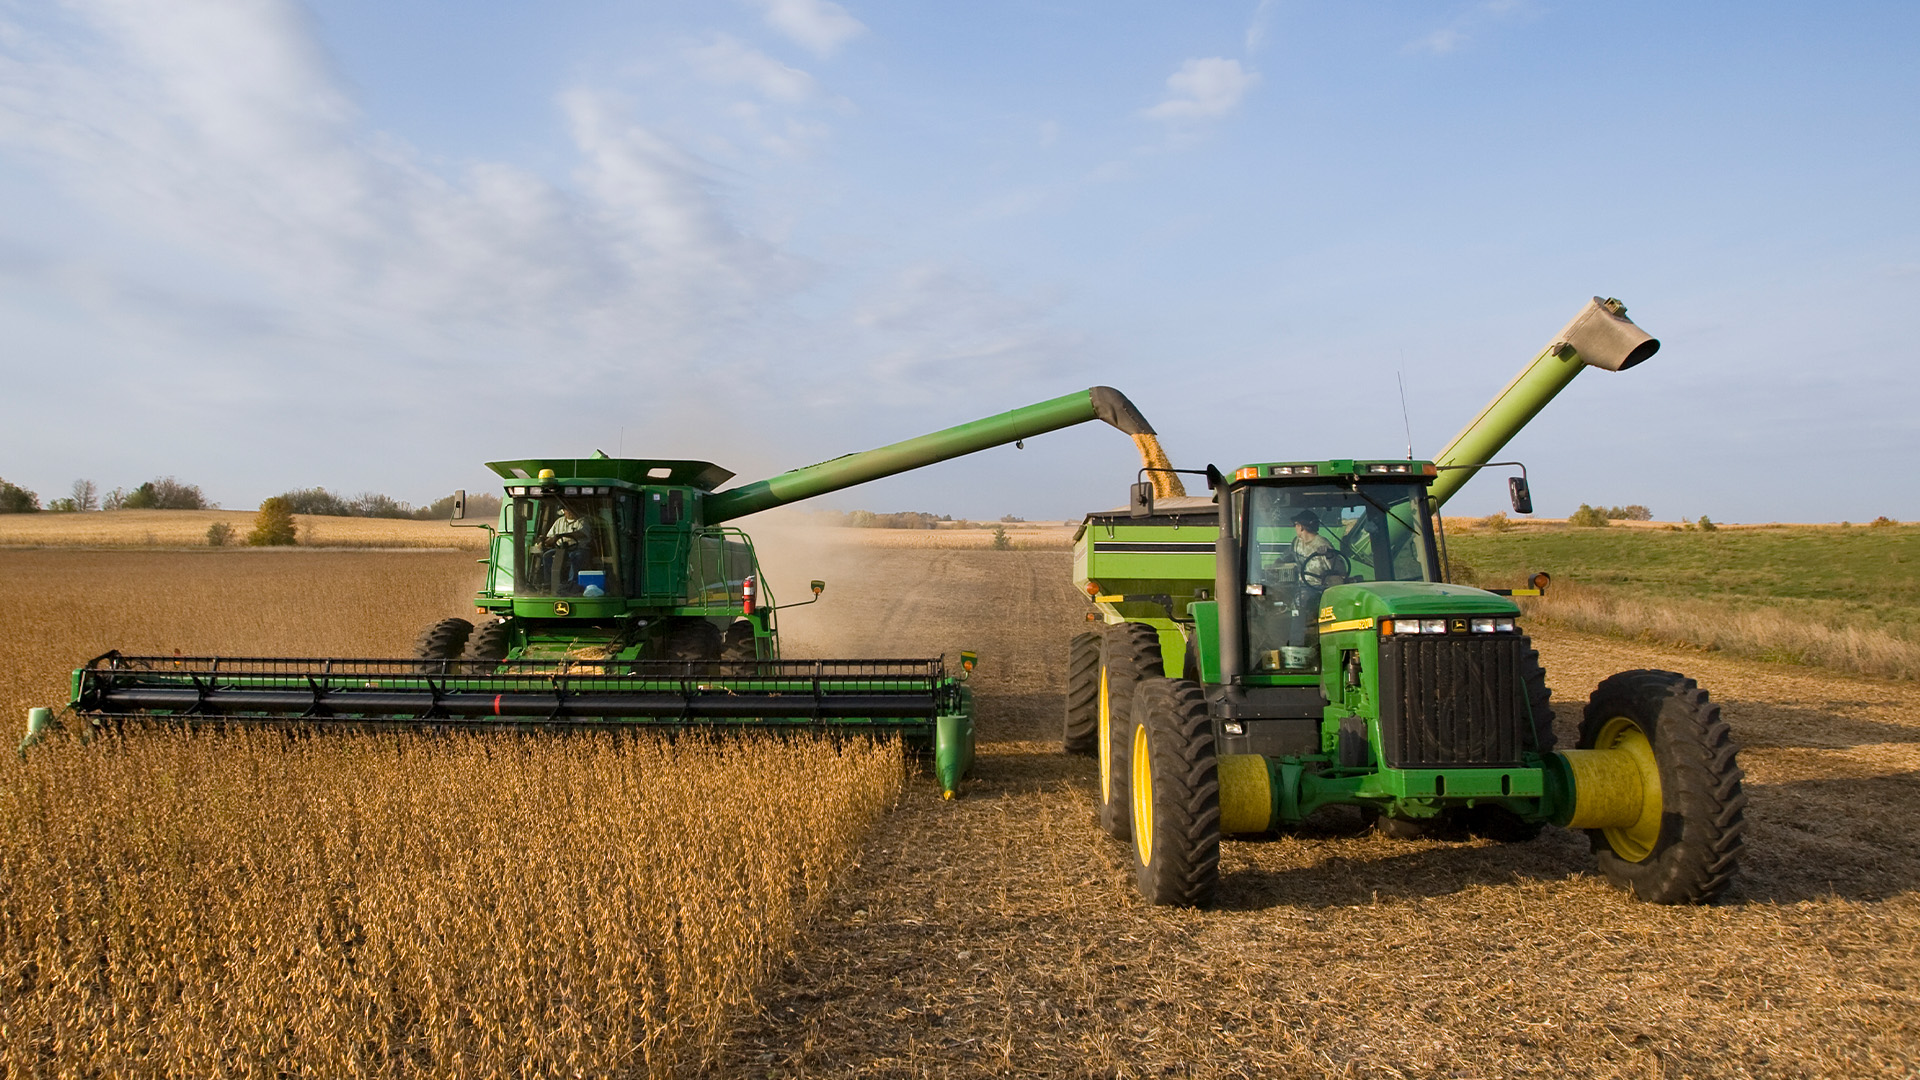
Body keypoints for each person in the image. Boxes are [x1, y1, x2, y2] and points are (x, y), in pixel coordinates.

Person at [535, 503, 593, 592]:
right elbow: (551, 536)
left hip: (578, 548)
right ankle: (549, 583)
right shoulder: (559, 522)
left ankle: (571, 584)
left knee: (577, 556)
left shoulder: (583, 521)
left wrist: (561, 535)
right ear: (563, 511)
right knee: (547, 555)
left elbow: (581, 534)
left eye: (571, 509)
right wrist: (544, 541)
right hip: (560, 549)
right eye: (567, 509)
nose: (569, 512)